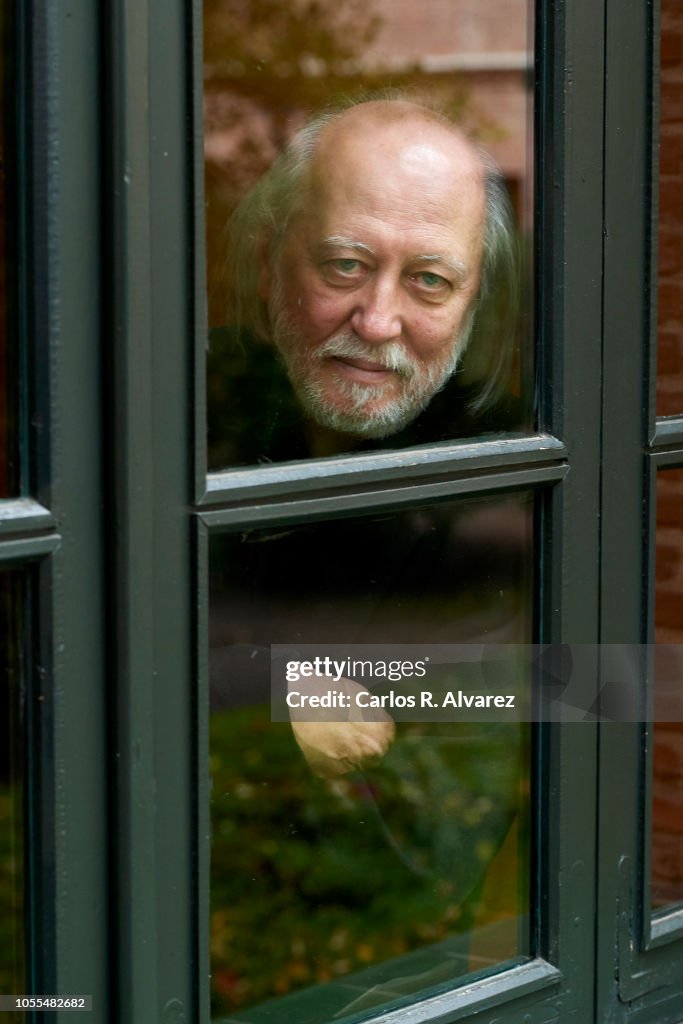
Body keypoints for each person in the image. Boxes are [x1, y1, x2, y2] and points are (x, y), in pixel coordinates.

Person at [208, 95, 521, 465]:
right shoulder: (184, 401)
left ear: (475, 298)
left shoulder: (514, 448)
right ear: (269, 263)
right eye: (346, 266)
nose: (376, 324)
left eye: (430, 280)